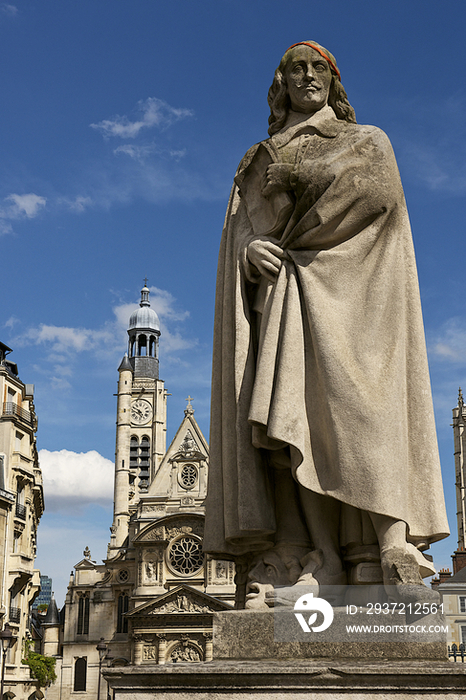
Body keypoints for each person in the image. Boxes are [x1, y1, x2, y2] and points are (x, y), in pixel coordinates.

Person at [204, 41, 449, 606]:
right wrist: (249, 255)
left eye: (318, 68)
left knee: (365, 414)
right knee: (294, 428)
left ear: (334, 80)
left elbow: (376, 202)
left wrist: (300, 199)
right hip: (283, 299)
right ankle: (318, 557)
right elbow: (241, 233)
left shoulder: (366, 141)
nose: (307, 76)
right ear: (280, 82)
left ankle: (387, 546)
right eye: (296, 68)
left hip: (358, 300)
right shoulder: (257, 157)